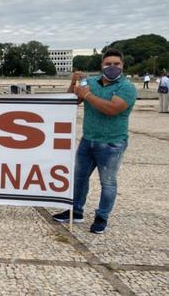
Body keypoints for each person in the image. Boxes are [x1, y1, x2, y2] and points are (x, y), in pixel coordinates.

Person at [53, 48, 137, 233]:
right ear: (102, 65)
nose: (112, 67)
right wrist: (74, 81)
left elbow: (112, 109)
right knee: (79, 178)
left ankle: (101, 217)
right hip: (88, 139)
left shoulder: (126, 87)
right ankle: (76, 211)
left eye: (116, 64)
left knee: (107, 183)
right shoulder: (90, 82)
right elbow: (72, 100)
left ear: (122, 65)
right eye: (108, 64)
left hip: (112, 143)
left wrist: (88, 95)